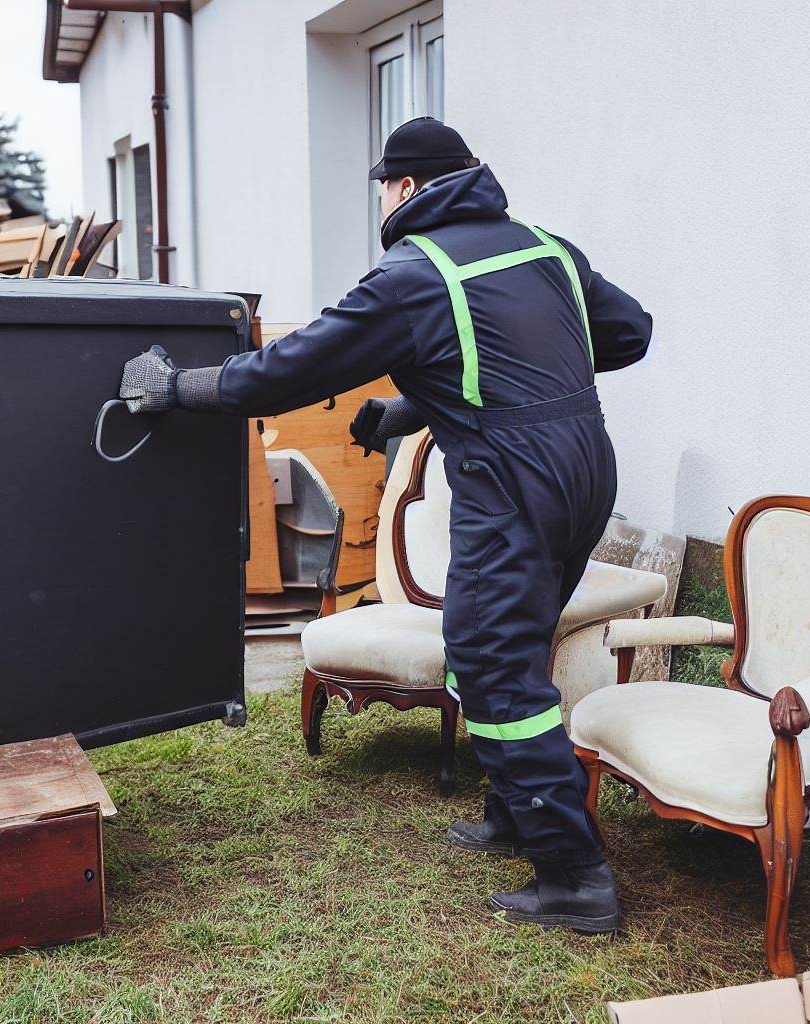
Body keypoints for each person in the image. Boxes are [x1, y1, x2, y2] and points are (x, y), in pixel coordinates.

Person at [119, 116, 651, 933]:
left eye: (382, 188)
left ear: (404, 188)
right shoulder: (544, 247)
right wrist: (418, 404)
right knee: (515, 643)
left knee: (490, 663)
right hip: (586, 467)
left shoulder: (414, 273)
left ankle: (577, 882)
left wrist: (176, 387)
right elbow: (626, 334)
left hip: (512, 483)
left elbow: (285, 370)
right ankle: (515, 815)